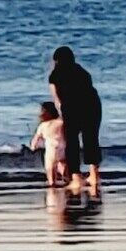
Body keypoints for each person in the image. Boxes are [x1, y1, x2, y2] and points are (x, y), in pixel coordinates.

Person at [44, 47, 103, 202]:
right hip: (92, 105)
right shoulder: (82, 71)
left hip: (72, 107)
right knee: (91, 139)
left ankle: (76, 178)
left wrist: (61, 115)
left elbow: (57, 99)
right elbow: (89, 88)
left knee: (72, 141)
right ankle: (94, 175)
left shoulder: (54, 75)